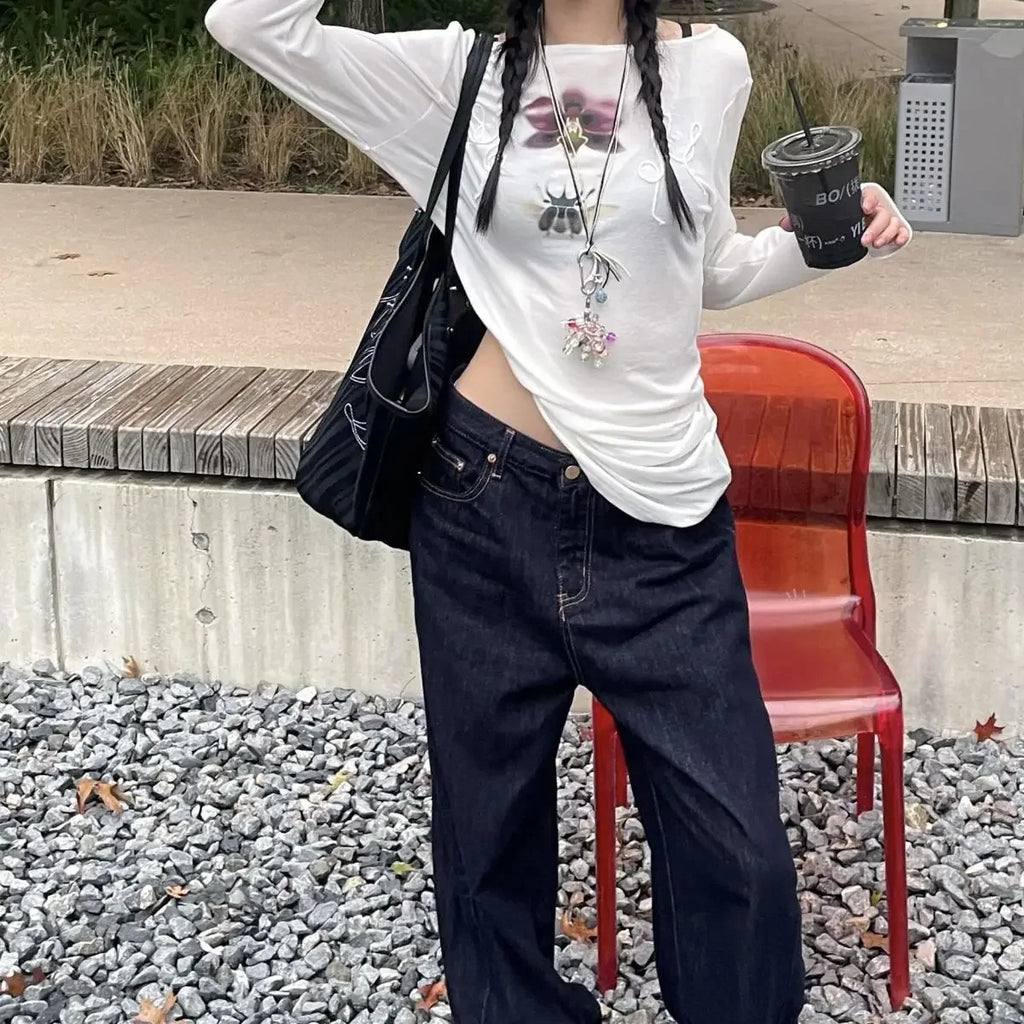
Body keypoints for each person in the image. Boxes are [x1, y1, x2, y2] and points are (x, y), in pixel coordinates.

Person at [205, 1, 912, 1021]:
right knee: (486, 841)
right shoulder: (454, 76)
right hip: (483, 504)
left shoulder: (712, 69)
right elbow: (246, 21)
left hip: (665, 522)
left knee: (740, 849)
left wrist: (828, 241)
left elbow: (709, 265)